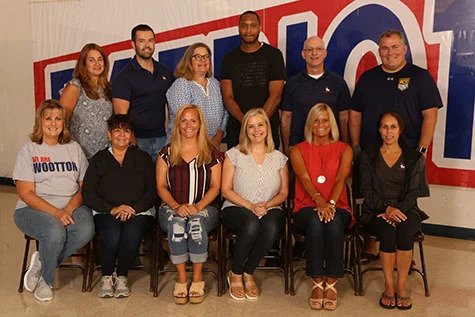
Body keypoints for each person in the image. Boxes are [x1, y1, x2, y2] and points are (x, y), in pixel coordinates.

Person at [349, 29, 442, 257]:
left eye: (394, 47)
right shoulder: (368, 78)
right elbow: (355, 114)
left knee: (407, 201)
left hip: (407, 152)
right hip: (371, 153)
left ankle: (404, 250)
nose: (389, 52)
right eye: (384, 47)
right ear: (378, 50)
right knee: (369, 199)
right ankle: (371, 245)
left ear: (405, 49)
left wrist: (421, 150)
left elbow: (430, 114)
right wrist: (355, 146)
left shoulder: (419, 77)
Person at [12, 99, 94, 302]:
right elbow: (26, 193)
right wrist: (57, 212)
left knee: (86, 230)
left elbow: (85, 187)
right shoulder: (29, 150)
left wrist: (69, 208)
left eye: (58, 118)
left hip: (71, 204)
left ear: (64, 123)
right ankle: (46, 281)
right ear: (40, 122)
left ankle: (42, 260)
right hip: (33, 208)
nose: (53, 123)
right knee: (54, 231)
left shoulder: (73, 148)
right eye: (48, 118)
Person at [82, 114, 156, 298]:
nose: (121, 135)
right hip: (106, 210)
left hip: (138, 211)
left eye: (126, 131)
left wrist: (134, 209)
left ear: (131, 135)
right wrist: (112, 209)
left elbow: (152, 191)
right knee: (112, 234)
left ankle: (122, 276)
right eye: (117, 131)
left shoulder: (143, 158)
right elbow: (88, 193)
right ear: (109, 135)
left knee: (131, 233)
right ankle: (107, 276)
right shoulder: (99, 160)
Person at [359, 112, 428, 310]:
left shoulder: (414, 158)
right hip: (375, 211)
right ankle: (389, 287)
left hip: (407, 210)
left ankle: (402, 287)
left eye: (393, 127)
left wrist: (396, 210)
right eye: (384, 127)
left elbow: (413, 193)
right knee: (388, 232)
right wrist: (386, 209)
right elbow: (366, 189)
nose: (389, 131)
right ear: (379, 130)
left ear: (400, 130)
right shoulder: (368, 156)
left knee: (405, 231)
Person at [156, 105, 222, 304]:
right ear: (177, 124)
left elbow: (216, 187)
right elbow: (160, 186)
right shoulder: (166, 153)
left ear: (200, 124)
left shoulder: (212, 153)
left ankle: (198, 277)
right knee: (177, 226)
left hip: (204, 208)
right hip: (171, 206)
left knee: (195, 226)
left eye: (193, 120)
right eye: (184, 120)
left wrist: (198, 207)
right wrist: (177, 206)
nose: (188, 125)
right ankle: (182, 278)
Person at [290, 103, 353, 310]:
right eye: (316, 120)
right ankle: (317, 282)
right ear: (310, 123)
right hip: (306, 205)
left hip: (338, 205)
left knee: (333, 222)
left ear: (331, 123)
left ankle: (332, 283)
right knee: (316, 222)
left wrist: (331, 204)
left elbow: (340, 179)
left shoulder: (344, 149)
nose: (320, 124)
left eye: (325, 120)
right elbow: (305, 178)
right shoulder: (298, 150)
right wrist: (320, 202)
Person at [221, 108, 288, 301]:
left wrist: (267, 204)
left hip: (270, 206)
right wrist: (250, 205)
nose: (256, 130)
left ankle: (248, 272)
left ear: (267, 127)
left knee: (272, 225)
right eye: (251, 126)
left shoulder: (279, 158)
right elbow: (226, 189)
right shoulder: (234, 154)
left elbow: (283, 192)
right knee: (251, 223)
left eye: (260, 124)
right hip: (237, 207)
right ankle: (235, 273)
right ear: (245, 130)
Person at [220, 10, 286, 149]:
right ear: (239, 28)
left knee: (268, 170)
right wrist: (246, 123)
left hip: (266, 130)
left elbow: (275, 96)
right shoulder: (229, 59)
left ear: (260, 28)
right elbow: (228, 97)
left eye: (253, 25)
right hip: (237, 130)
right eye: (244, 26)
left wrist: (258, 124)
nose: (248, 30)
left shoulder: (274, 55)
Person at [112, 24, 174, 161]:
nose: (147, 45)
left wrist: (171, 137)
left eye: (150, 40)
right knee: (141, 182)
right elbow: (120, 116)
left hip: (162, 139)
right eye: (142, 41)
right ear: (133, 44)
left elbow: (172, 108)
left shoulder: (165, 73)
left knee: (160, 181)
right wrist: (132, 141)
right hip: (138, 140)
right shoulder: (124, 77)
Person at [281, 36, 350, 156]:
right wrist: (287, 149)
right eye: (309, 49)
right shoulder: (292, 83)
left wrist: (345, 146)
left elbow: (344, 117)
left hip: (331, 148)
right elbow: (286, 118)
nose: (314, 53)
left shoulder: (338, 82)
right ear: (303, 54)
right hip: (299, 149)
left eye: (318, 49)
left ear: (325, 53)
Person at [166, 42, 228, 148]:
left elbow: (225, 113)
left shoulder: (215, 84)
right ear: (189, 61)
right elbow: (184, 121)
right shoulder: (182, 84)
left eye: (206, 57)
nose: (203, 60)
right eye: (198, 57)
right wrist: (203, 143)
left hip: (213, 145)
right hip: (185, 146)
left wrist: (218, 137)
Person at [59, 43, 113, 159]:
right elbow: (62, 119)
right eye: (91, 60)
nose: (97, 64)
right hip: (81, 156)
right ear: (84, 64)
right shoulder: (75, 86)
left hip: (105, 155)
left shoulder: (107, 88)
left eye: (100, 59)